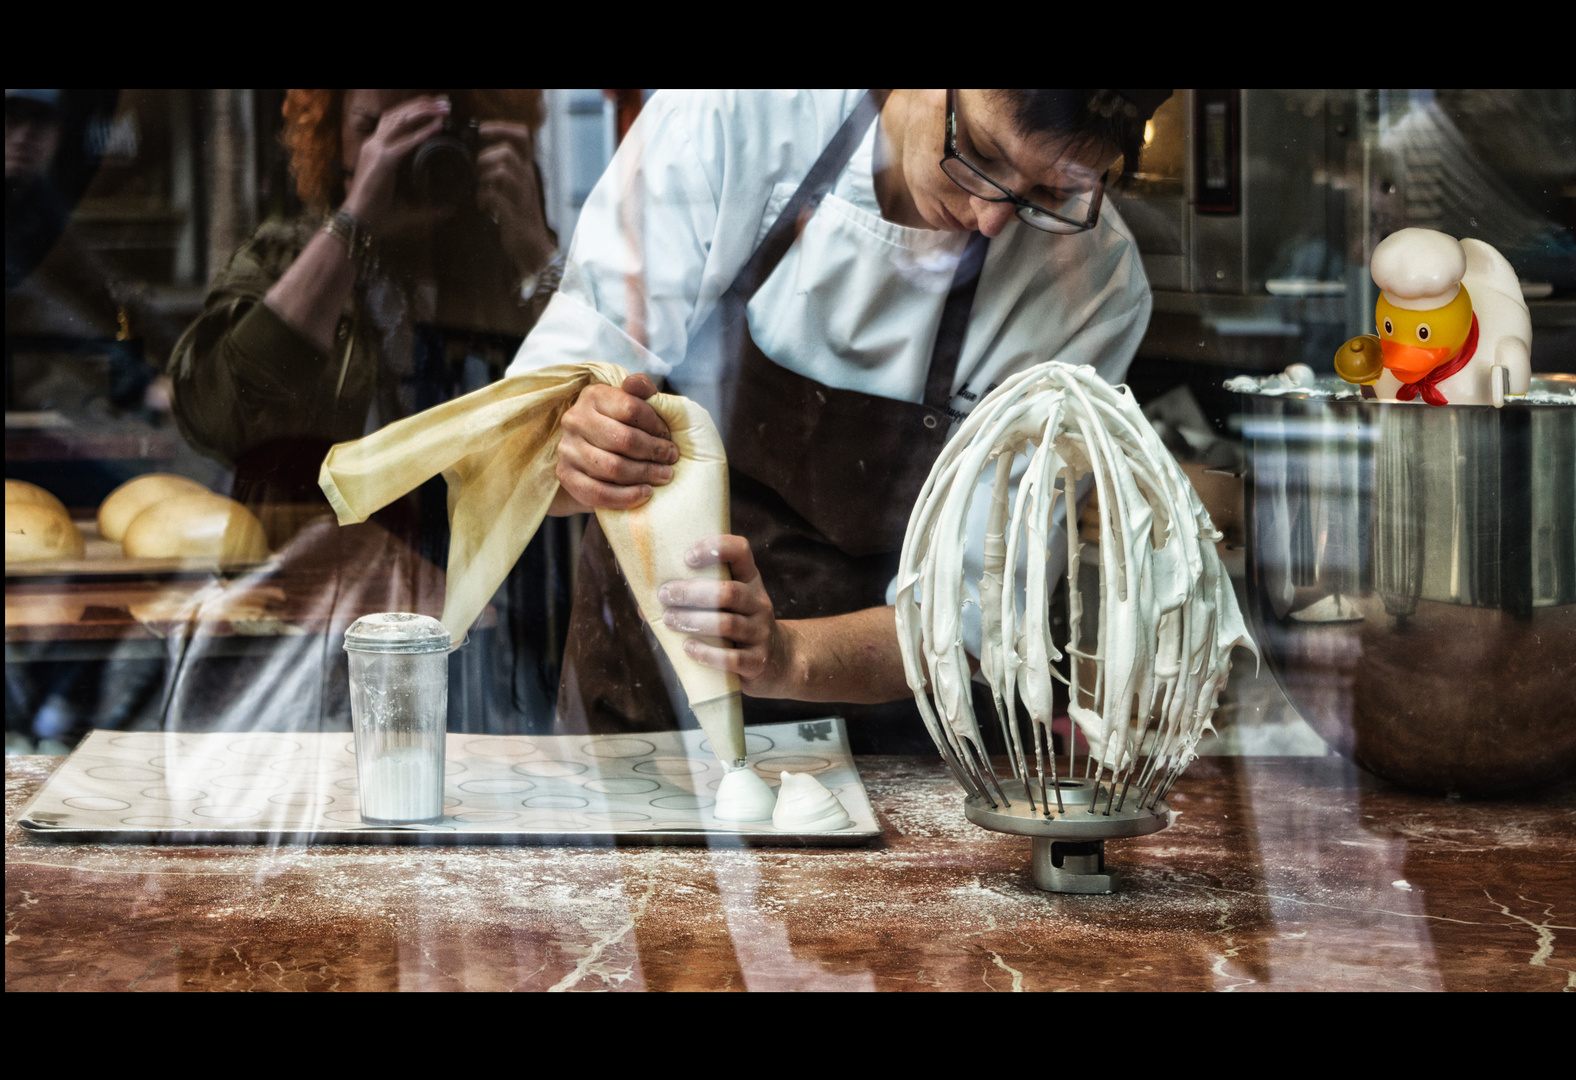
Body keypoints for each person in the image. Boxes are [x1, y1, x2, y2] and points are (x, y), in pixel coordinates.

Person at [508, 89, 1169, 753]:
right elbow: (525, 456)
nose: (992, 216)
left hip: (895, 754)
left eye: (1052, 193)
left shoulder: (1095, 284)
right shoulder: (732, 120)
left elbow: (971, 615)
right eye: (979, 152)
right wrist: (578, 451)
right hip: (648, 716)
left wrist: (786, 656)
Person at [163, 89, 565, 733]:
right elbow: (214, 410)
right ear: (330, 138)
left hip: (499, 620)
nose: (404, 149)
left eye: (435, 125)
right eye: (375, 127)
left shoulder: (504, 254)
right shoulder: (285, 252)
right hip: (315, 621)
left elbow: (610, 403)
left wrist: (536, 252)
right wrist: (354, 223)